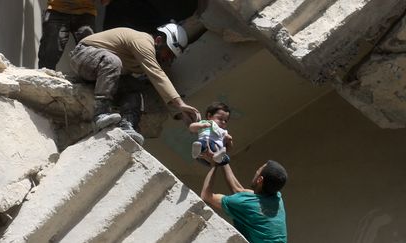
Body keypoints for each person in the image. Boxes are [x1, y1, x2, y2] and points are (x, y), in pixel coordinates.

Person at [69, 23, 201, 145]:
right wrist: (180, 104)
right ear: (159, 41)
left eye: (171, 57)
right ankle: (101, 112)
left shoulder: (155, 55)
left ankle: (128, 125)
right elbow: (157, 74)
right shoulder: (143, 41)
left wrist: (180, 112)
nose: (167, 59)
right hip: (83, 56)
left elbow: (160, 85)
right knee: (113, 62)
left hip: (102, 71)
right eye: (167, 53)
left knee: (134, 87)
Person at [200, 159, 288, 243]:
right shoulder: (277, 197)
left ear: (260, 179)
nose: (256, 172)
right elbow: (238, 190)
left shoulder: (247, 205)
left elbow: (206, 195)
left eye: (258, 170)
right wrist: (223, 158)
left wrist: (214, 165)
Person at [38, 0, 110, 70]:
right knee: (48, 55)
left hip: (86, 13)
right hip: (57, 9)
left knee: (90, 56)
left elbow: (105, 2)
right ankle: (41, 79)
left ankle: (88, 81)